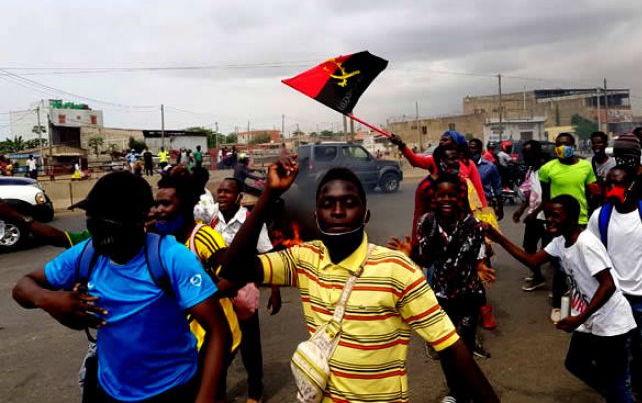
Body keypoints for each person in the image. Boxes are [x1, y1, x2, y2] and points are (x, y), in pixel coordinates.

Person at [221, 161, 499, 403]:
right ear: (317, 217)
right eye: (328, 204)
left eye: (349, 203)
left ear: (365, 215)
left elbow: (451, 345)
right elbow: (233, 269)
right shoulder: (304, 259)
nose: (338, 211)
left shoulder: (396, 269)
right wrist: (269, 195)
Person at [12, 171, 229, 402]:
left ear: (140, 219)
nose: (96, 225)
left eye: (108, 217)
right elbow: (23, 287)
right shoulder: (87, 253)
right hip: (110, 389)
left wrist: (205, 397)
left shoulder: (171, 257)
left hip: (173, 387)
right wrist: (49, 301)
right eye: (92, 216)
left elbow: (218, 331)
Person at [488, 195, 636, 402]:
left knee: (614, 381)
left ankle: (620, 397)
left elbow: (608, 284)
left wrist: (579, 317)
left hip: (611, 322)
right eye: (548, 215)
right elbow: (532, 260)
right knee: (576, 363)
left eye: (556, 216)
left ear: (573, 217)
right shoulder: (560, 241)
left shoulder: (586, 244)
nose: (550, 220)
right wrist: (498, 238)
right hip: (590, 320)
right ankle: (617, 396)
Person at [152, 168, 241, 403]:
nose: (158, 211)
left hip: (216, 334)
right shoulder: (167, 241)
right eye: (156, 204)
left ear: (185, 206)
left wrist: (189, 295)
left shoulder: (204, 237)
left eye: (166, 205)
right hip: (190, 337)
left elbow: (231, 280)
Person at [411, 173, 495, 401]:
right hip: (440, 296)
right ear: (434, 198)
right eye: (441, 195)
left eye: (452, 195)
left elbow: (479, 258)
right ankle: (455, 392)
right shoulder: (426, 222)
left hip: (469, 295)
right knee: (445, 349)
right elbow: (426, 260)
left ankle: (466, 392)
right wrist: (411, 253)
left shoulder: (474, 225)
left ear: (460, 197)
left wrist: (481, 266)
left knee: (463, 348)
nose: (446, 199)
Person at [587, 166, 642, 401]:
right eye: (608, 185)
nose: (611, 189)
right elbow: (591, 255)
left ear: (632, 187)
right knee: (619, 355)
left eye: (616, 184)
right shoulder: (601, 217)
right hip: (617, 299)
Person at [213, 177, 281, 403]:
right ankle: (217, 389)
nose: (221, 195)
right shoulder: (213, 220)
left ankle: (255, 390)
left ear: (240, 197)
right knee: (219, 342)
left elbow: (268, 254)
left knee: (250, 343)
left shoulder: (251, 221)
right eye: (219, 191)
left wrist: (275, 290)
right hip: (219, 291)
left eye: (227, 192)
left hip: (244, 289)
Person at [539, 133, 597, 322]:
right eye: (558, 145)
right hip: (558, 223)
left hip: (581, 221)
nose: (562, 147)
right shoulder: (547, 169)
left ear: (573, 145)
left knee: (584, 265)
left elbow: (591, 193)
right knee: (561, 266)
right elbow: (545, 198)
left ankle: (584, 303)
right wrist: (549, 220)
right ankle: (558, 306)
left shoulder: (585, 166)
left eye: (565, 144)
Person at [513, 140, 552, 292]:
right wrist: (521, 210)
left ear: (536, 152)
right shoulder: (531, 170)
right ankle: (538, 275)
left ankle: (559, 286)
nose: (525, 156)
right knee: (528, 248)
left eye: (528, 153)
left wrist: (534, 214)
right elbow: (531, 192)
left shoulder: (546, 169)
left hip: (546, 216)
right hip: (533, 215)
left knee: (549, 251)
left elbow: (548, 196)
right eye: (524, 153)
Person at [614, 133, 642, 206]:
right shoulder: (616, 177)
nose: (621, 162)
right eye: (618, 157)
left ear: (637, 155)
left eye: (626, 157)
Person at [468, 139, 504, 220]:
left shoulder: (490, 166)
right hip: (468, 206)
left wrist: (500, 207)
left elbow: (497, 188)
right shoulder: (463, 166)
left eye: (473, 148)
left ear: (480, 150)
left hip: (485, 204)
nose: (471, 150)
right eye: (469, 148)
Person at [589, 131, 616, 209]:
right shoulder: (587, 164)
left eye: (599, 142)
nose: (596, 145)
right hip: (592, 206)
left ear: (606, 145)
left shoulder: (614, 164)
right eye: (594, 143)